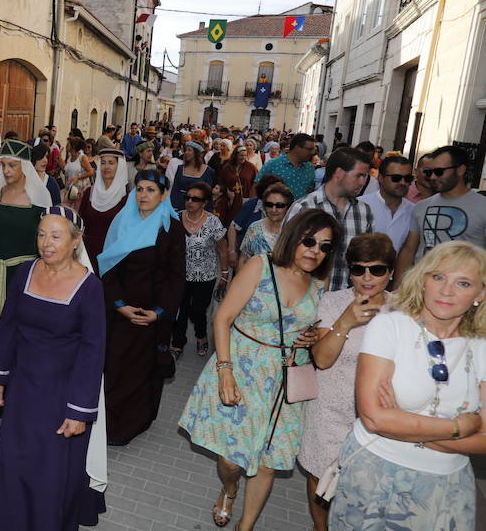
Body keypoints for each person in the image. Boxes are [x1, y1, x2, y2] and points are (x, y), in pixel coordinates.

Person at [180, 209, 340, 530]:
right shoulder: (261, 265)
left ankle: (246, 525)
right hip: (242, 369)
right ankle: (229, 488)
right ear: (294, 237)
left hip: (286, 382)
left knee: (267, 464)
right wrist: (225, 371)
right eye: (309, 241)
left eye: (325, 246)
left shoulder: (319, 283)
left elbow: (313, 331)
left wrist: (310, 338)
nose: (315, 251)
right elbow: (222, 318)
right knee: (230, 460)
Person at [327, 241, 486, 531]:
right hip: (375, 473)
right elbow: (375, 418)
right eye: (438, 277)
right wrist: (458, 428)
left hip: (446, 486)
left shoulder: (482, 346)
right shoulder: (390, 326)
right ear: (422, 279)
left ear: (481, 293)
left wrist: (402, 421)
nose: (447, 290)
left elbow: (485, 439)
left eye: (463, 283)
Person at [0, 206, 107, 530]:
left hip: (62, 396)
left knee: (50, 474)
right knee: (13, 464)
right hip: (23, 390)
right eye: (41, 234)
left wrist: (79, 411)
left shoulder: (89, 287)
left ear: (76, 241)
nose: (46, 243)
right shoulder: (25, 272)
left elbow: (93, 352)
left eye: (56, 235)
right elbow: (7, 326)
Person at [295, 233, 394, 530]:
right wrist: (346, 322)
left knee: (364, 486)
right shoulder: (332, 302)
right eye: (358, 269)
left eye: (376, 270)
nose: (366, 277)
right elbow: (322, 359)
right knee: (319, 475)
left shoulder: (405, 310)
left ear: (391, 271)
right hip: (328, 408)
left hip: (375, 415)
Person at [99, 169, 185, 445]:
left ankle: (136, 422)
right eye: (140, 189)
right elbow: (107, 268)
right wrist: (119, 305)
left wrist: (159, 313)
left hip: (153, 313)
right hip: (120, 311)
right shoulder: (122, 221)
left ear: (163, 195)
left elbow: (176, 275)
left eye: (151, 190)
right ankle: (109, 423)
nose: (144, 195)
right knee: (114, 366)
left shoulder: (171, 228)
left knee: (143, 369)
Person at [0, 139, 53, 418]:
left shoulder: (38, 203)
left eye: (11, 166)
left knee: (19, 334)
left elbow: (47, 243)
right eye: (3, 165)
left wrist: (42, 277)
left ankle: (16, 397)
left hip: (22, 277)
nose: (5, 171)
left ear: (24, 167)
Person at [394, 145, 486, 285]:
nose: (432, 177)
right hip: (420, 290)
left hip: (463, 293)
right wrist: (397, 291)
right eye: (428, 172)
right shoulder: (421, 207)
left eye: (438, 172)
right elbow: (409, 250)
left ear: (460, 170)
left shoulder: (482, 206)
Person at [285, 148, 374, 290]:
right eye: (359, 176)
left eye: (365, 177)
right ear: (339, 173)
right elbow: (285, 257)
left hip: (347, 300)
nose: (363, 182)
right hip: (306, 300)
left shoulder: (364, 211)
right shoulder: (304, 207)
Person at [174, 182, 227, 358]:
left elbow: (222, 249)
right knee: (179, 309)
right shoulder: (175, 217)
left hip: (205, 275)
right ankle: (177, 342)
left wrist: (225, 274)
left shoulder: (213, 222)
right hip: (179, 274)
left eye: (195, 199)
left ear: (204, 203)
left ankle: (201, 335)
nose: (189, 202)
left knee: (197, 310)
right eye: (187, 198)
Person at [79, 148, 128, 271]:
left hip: (113, 258)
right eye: (103, 163)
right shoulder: (89, 193)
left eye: (111, 163)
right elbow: (79, 224)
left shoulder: (127, 198)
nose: (106, 167)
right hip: (86, 255)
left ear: (120, 166)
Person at [227, 174, 285, 269]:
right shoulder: (252, 205)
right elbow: (233, 227)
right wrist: (232, 251)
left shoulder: (284, 209)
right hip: (247, 260)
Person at [359, 155, 414, 252]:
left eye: (408, 178)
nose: (403, 182)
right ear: (380, 178)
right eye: (396, 178)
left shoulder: (415, 211)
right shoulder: (360, 205)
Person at [239, 182, 294, 268]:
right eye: (269, 204)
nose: (274, 209)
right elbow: (244, 259)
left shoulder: (295, 231)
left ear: (288, 207)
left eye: (279, 205)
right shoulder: (254, 228)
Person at [254, 133, 316, 200]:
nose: (312, 152)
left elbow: (310, 191)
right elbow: (256, 187)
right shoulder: (273, 164)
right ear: (297, 148)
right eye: (309, 149)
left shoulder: (310, 168)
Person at [171, 141, 217, 212]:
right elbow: (175, 189)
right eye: (185, 150)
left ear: (197, 153)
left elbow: (208, 193)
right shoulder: (180, 168)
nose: (186, 152)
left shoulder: (208, 171)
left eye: (189, 150)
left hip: (198, 207)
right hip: (180, 205)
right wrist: (173, 207)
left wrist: (208, 210)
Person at [62, 137, 94, 209]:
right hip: (69, 188)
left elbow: (91, 172)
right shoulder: (70, 157)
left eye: (68, 144)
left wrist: (78, 177)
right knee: (65, 208)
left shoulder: (82, 157)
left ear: (73, 146)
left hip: (79, 190)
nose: (67, 145)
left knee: (76, 210)